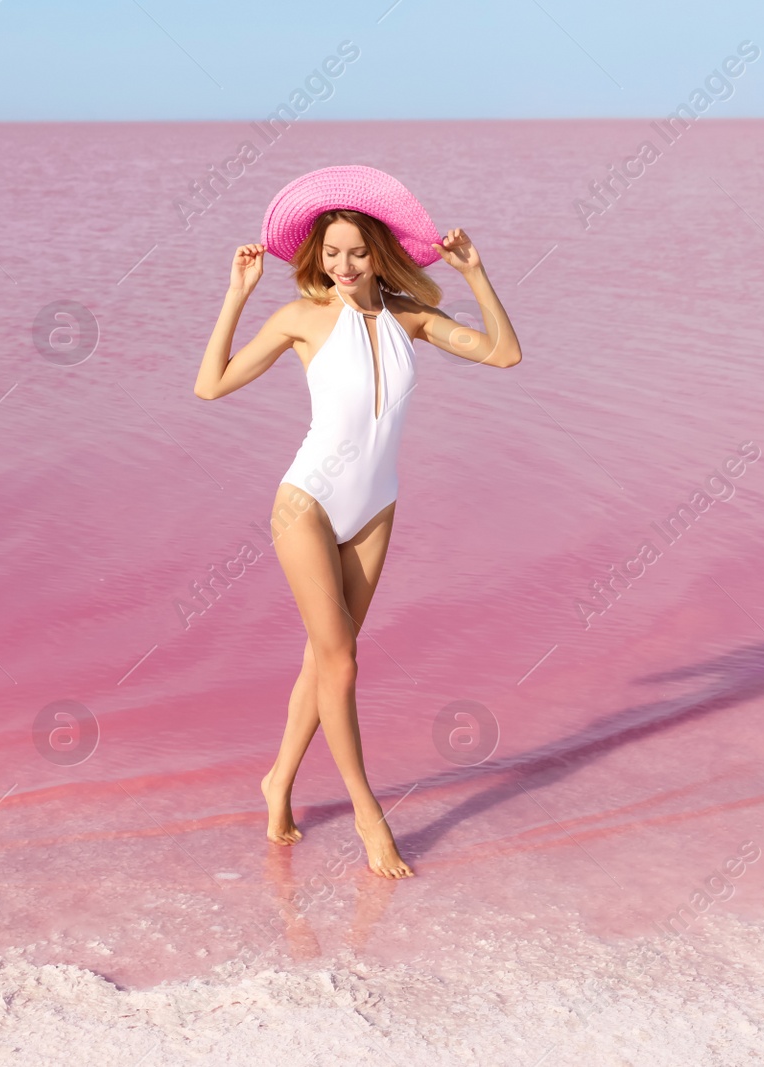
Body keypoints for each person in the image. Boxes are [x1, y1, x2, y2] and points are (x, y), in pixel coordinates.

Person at [193, 165, 522, 878]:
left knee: (324, 660)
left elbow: (504, 353)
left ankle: (278, 780)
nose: (343, 266)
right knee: (341, 660)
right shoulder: (301, 318)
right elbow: (210, 385)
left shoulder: (410, 317)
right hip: (305, 501)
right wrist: (236, 297)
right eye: (331, 252)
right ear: (317, 256)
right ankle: (369, 815)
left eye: (357, 252)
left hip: (375, 506)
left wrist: (476, 274)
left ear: (382, 253)